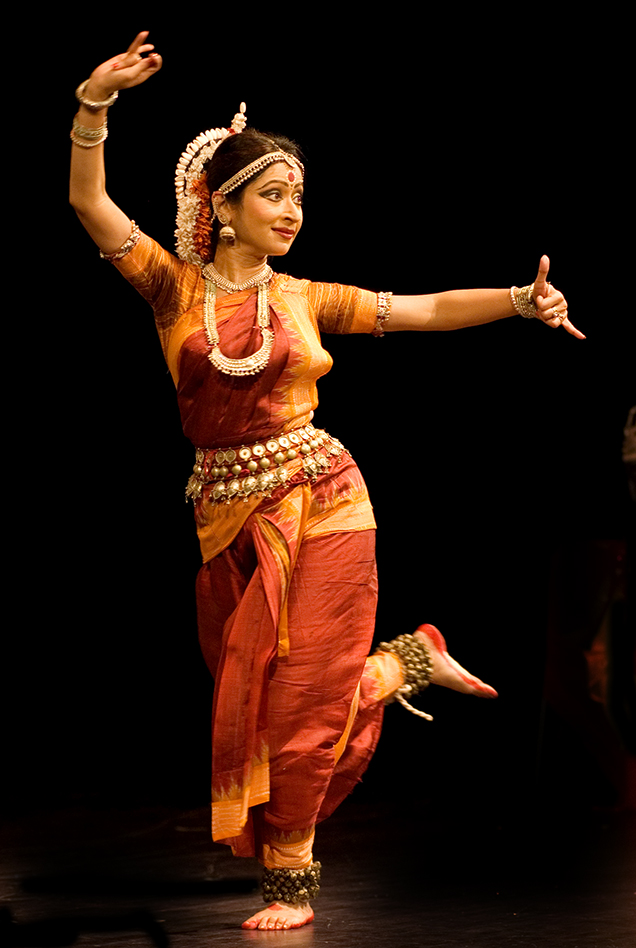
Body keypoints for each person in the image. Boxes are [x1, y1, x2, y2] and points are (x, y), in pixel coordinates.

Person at [69, 32, 584, 932]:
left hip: (327, 496)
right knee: (259, 705)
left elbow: (418, 308)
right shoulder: (170, 290)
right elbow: (90, 202)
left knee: (305, 698)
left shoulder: (307, 298)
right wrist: (94, 106)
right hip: (226, 518)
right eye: (273, 194)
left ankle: (291, 883)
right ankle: (401, 665)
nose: (291, 210)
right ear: (222, 207)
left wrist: (517, 300)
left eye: (298, 196)